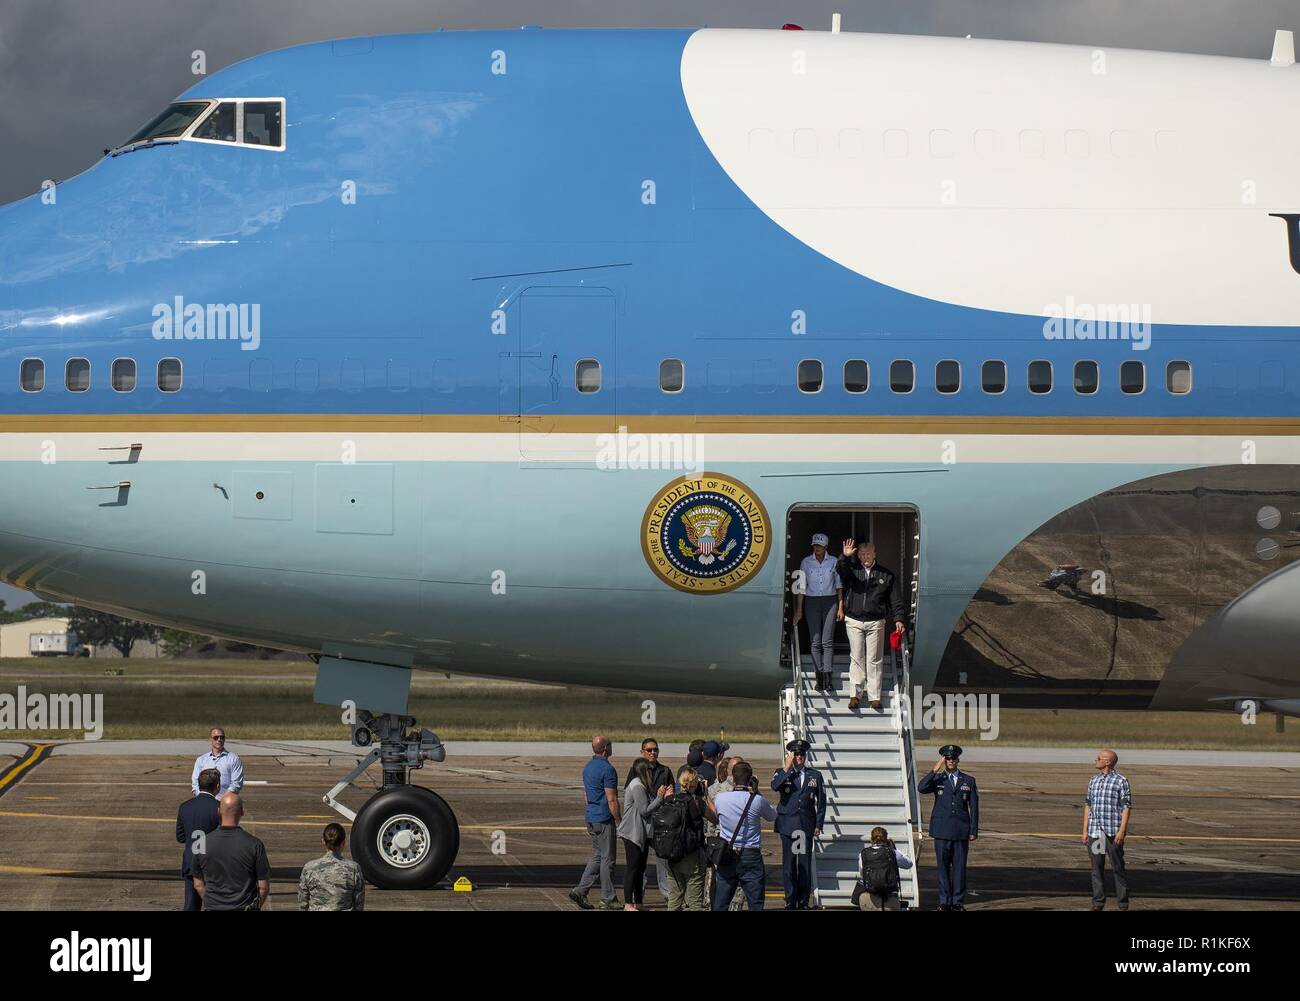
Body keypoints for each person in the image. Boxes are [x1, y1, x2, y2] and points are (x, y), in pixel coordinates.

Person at [837, 539, 905, 710]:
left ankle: (874, 696)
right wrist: (844, 557)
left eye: (868, 554)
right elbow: (840, 571)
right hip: (854, 620)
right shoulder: (853, 571)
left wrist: (898, 619)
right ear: (858, 555)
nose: (865, 557)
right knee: (857, 657)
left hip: (876, 622)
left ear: (875, 554)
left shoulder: (886, 575)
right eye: (862, 554)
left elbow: (895, 599)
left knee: (874, 659)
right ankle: (855, 695)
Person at [645, 765, 716, 910]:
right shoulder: (697, 802)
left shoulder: (669, 800)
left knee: (674, 899)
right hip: (692, 855)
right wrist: (706, 795)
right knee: (695, 901)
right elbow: (715, 819)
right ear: (695, 784)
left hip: (672, 854)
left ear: (680, 782)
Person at [916, 745, 979, 911]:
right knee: (943, 869)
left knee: (959, 869)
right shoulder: (938, 779)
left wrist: (973, 830)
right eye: (947, 758)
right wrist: (934, 769)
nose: (951, 761)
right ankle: (944, 901)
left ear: (958, 760)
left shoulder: (968, 780)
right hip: (942, 830)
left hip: (960, 831)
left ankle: (957, 902)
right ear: (944, 760)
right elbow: (921, 788)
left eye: (953, 758)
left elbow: (974, 806)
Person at [711, 762, 777, 911]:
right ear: (750, 779)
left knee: (721, 902)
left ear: (733, 779)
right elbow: (772, 816)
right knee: (755, 902)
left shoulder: (721, 799)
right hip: (750, 854)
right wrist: (756, 791)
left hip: (727, 853)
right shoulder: (757, 800)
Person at [771, 738, 827, 909]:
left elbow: (822, 802)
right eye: (796, 754)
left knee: (803, 865)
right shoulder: (782, 772)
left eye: (802, 754)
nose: (799, 757)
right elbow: (775, 786)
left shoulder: (814, 775)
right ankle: (790, 899)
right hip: (788, 826)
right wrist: (787, 768)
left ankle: (803, 900)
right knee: (788, 865)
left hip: (804, 826)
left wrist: (818, 824)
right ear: (790, 756)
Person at [191, 791, 270, 911]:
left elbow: (198, 884)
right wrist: (254, 907)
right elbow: (263, 887)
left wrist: (211, 903)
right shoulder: (254, 844)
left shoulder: (201, 843)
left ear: (218, 812)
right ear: (242, 812)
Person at [569, 735, 621, 910]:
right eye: (611, 744)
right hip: (604, 818)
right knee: (608, 859)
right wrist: (619, 821)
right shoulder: (608, 770)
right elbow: (611, 799)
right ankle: (608, 897)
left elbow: (586, 795)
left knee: (598, 856)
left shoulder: (588, 767)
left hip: (591, 816)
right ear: (605, 748)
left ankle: (580, 890)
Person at [1082, 749, 1132, 911]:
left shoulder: (1121, 781)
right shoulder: (1093, 781)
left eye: (1099, 758)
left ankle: (1123, 904)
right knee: (1097, 868)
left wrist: (1122, 831)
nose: (1096, 760)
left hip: (1113, 833)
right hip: (1095, 833)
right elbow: (1088, 805)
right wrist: (1085, 831)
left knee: (1118, 868)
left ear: (1108, 762)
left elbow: (1126, 807)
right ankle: (1098, 903)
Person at [624, 738, 673, 900]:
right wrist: (659, 798)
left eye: (655, 750)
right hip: (642, 825)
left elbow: (671, 796)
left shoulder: (665, 771)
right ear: (642, 752)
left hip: (660, 822)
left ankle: (665, 893)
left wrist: (666, 798)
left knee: (662, 859)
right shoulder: (636, 772)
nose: (653, 753)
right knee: (637, 863)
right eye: (649, 750)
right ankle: (637, 897)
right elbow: (635, 801)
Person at [793, 533, 843, 692]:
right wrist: (799, 610)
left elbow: (839, 586)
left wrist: (841, 607)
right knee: (815, 640)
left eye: (820, 545)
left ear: (826, 546)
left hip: (830, 601)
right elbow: (801, 587)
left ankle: (828, 678)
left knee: (827, 640)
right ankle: (819, 678)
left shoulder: (834, 561)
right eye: (815, 545)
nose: (817, 548)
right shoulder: (805, 562)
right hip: (812, 601)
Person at [175, 767, 221, 911]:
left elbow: (180, 837)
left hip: (191, 863)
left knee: (191, 906)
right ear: (217, 786)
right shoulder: (219, 808)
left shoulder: (185, 807)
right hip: (212, 866)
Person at [298, 823, 365, 911]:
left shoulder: (309, 868)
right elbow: (359, 903)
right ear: (343, 843)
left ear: (323, 841)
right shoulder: (353, 869)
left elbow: (303, 902)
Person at [618, 758, 656, 910]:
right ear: (644, 771)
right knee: (633, 868)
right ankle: (628, 903)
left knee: (640, 869)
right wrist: (660, 798)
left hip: (640, 832)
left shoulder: (641, 785)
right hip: (632, 832)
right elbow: (644, 810)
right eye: (650, 770)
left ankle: (638, 903)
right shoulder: (637, 786)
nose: (652, 773)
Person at [851, 827, 914, 911]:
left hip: (868, 900)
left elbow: (863, 874)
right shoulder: (892, 852)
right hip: (889, 901)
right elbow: (909, 864)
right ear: (886, 839)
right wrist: (894, 848)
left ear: (871, 839)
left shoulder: (863, 854)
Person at [190, 726, 244, 796]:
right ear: (210, 740)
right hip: (205, 802)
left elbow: (236, 783)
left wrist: (224, 800)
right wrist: (203, 798)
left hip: (226, 803)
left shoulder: (234, 759)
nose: (219, 739)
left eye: (222, 737)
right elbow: (195, 784)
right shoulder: (201, 760)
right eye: (216, 737)